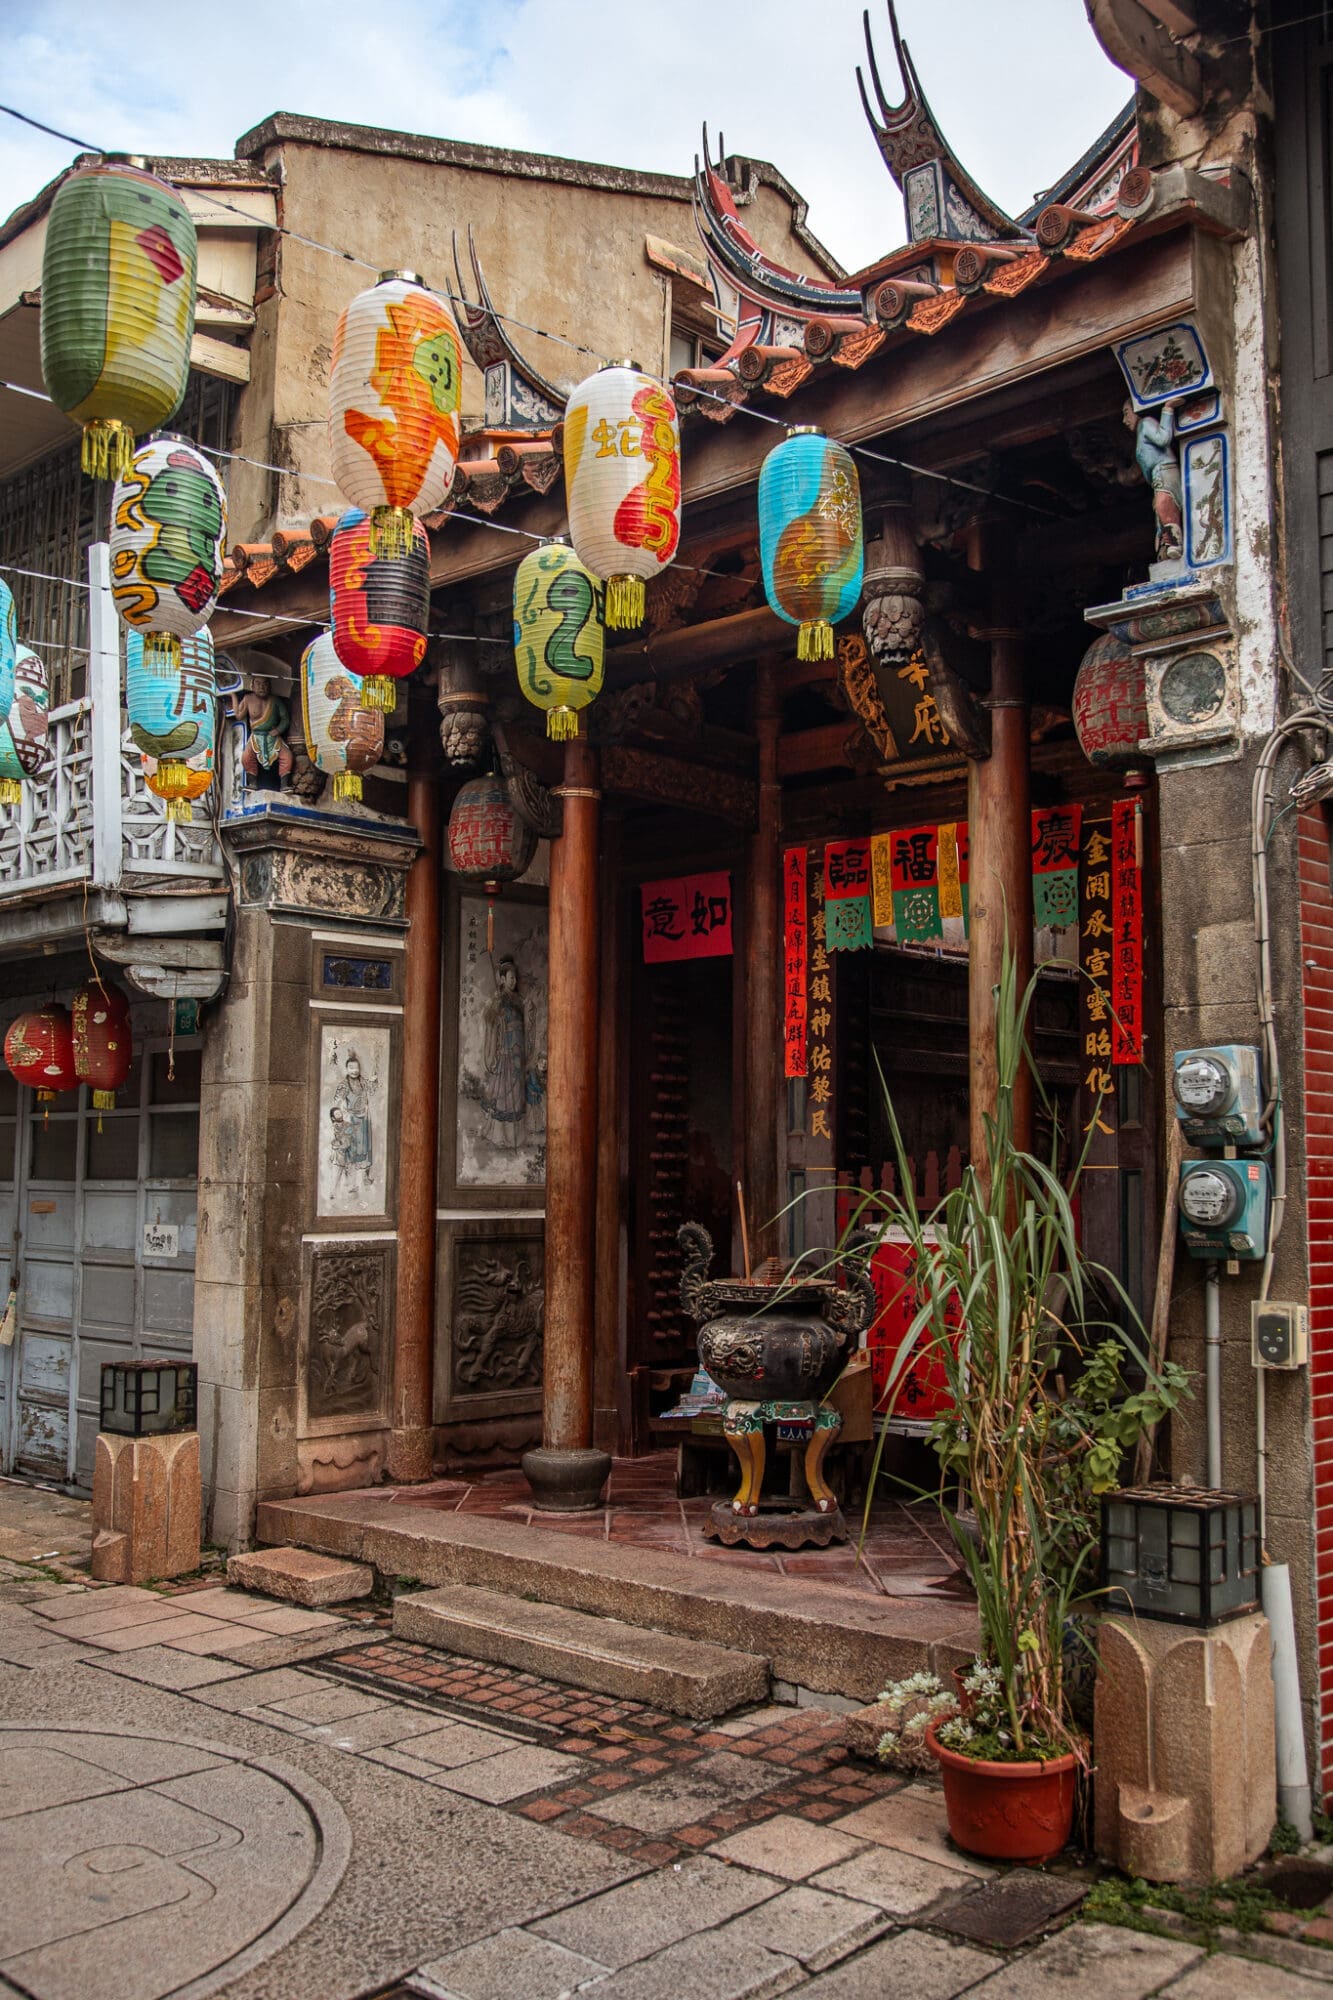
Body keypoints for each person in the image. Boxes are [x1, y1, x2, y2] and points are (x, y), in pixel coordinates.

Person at [1124, 399, 1183, 565]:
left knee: (1164, 504)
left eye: (1126, 413)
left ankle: (1174, 542)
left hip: (1164, 471)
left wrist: (1167, 409)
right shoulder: (1140, 431)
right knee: (1160, 510)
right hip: (1157, 477)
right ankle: (1166, 546)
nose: (1125, 420)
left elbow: (1163, 438)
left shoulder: (1145, 423)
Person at [482, 958, 529, 1147]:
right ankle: (499, 1136)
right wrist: (496, 1013)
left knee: (517, 1094)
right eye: (510, 977)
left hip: (518, 1051)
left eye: (515, 978)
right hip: (505, 1051)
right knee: (503, 1094)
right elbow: (489, 1020)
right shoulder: (497, 1000)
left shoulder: (519, 1001)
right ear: (502, 979)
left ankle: (515, 1136)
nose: (513, 981)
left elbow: (526, 1024)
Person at [329, 1050, 373, 1192]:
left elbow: (372, 1090)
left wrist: (374, 1080)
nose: (354, 1071)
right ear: (347, 1069)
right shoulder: (344, 1085)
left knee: (364, 1150)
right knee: (351, 1151)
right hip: (351, 1121)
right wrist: (341, 1114)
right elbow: (337, 1101)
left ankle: (364, 1177)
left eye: (357, 1068)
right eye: (351, 1068)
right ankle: (350, 1183)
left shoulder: (363, 1082)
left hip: (364, 1120)